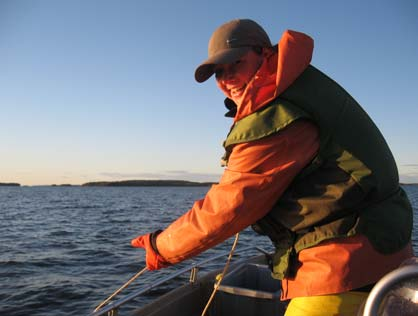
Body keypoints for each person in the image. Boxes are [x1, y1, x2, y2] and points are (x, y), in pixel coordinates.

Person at [131, 19, 414, 315]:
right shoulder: (302, 90)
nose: (226, 79)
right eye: (219, 72)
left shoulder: (277, 115)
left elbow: (228, 207)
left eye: (235, 64)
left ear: (264, 54)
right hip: (384, 255)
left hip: (343, 267)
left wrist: (160, 247)